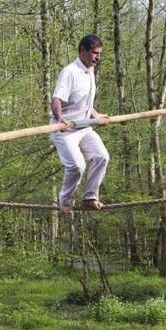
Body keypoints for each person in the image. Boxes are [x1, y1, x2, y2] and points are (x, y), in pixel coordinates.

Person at [50, 34, 110, 216]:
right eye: (94, 53)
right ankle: (65, 201)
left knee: (101, 157)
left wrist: (95, 114)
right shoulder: (69, 72)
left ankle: (90, 197)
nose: (97, 57)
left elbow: (84, 102)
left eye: (99, 53)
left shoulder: (90, 71)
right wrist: (60, 119)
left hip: (84, 126)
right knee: (77, 166)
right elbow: (56, 99)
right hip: (65, 129)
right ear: (82, 51)